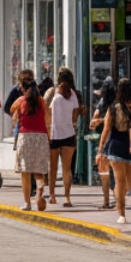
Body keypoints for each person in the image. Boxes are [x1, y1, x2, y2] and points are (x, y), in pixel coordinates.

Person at [97, 79, 131, 223]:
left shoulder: (113, 108)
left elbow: (106, 129)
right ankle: (122, 208)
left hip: (115, 145)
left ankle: (121, 213)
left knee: (119, 182)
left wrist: (100, 149)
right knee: (128, 183)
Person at [9, 77, 51, 210]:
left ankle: (27, 203)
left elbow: (10, 109)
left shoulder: (21, 101)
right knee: (38, 169)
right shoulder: (42, 101)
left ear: (23, 88)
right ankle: (40, 186)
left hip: (25, 136)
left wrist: (17, 113)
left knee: (25, 172)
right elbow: (48, 118)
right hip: (41, 136)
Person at [44, 68, 81, 207]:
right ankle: (67, 197)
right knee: (67, 168)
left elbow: (46, 111)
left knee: (52, 168)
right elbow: (74, 115)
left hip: (54, 134)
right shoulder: (73, 94)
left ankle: (52, 195)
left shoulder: (52, 92)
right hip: (69, 134)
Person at [89, 80, 117, 209]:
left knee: (105, 173)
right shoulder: (117, 104)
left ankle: (108, 201)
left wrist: (99, 121)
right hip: (116, 140)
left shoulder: (109, 105)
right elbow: (94, 120)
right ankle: (115, 200)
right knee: (112, 173)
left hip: (107, 141)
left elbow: (94, 121)